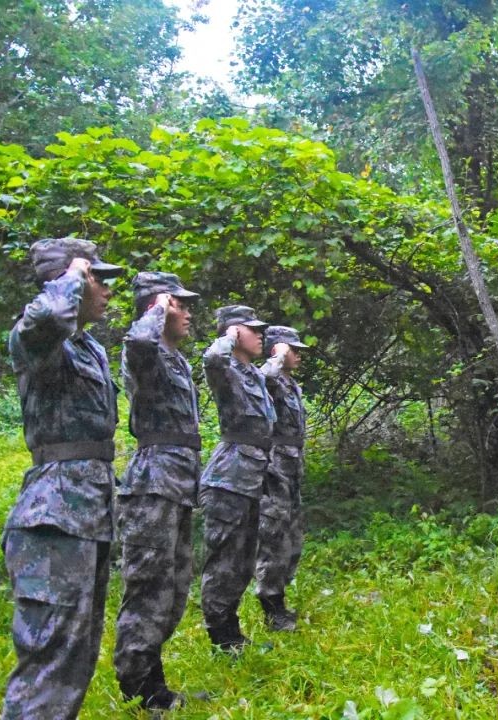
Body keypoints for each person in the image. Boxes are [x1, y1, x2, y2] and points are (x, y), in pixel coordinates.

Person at [2, 238, 123, 719]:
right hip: (53, 519)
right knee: (49, 661)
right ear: (70, 281)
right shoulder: (37, 338)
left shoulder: (86, 346)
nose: (108, 289)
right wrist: (72, 274)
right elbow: (47, 317)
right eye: (100, 278)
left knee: (74, 655)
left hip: (86, 516)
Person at [115, 272, 201, 709]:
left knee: (174, 588)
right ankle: (140, 691)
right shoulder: (143, 351)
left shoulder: (176, 358)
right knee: (148, 587)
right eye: (178, 304)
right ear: (159, 306)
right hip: (154, 484)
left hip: (179, 482)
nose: (186, 312)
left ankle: (155, 684)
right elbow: (138, 343)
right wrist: (155, 308)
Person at [199, 305, 274, 651]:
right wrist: (227, 336)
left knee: (243, 560)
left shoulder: (253, 373)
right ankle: (221, 635)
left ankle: (233, 632)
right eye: (252, 328)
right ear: (233, 332)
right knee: (224, 560)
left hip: (252, 475)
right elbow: (212, 359)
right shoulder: (225, 368)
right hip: (229, 477)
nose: (260, 334)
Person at [255, 326, 310, 631]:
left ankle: (280, 600)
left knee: (293, 537)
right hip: (275, 470)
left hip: (292, 468)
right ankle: (272, 608)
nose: (298, 354)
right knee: (273, 538)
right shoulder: (271, 379)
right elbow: (262, 379)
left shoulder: (291, 384)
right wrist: (275, 357)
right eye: (293, 349)